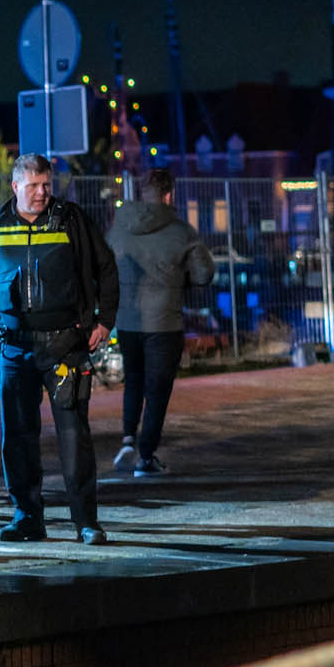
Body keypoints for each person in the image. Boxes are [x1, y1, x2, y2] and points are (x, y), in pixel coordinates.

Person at [0, 154, 118, 545]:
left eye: (46, 185)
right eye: (32, 186)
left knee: (74, 436)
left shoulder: (71, 220)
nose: (41, 193)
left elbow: (107, 266)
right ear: (14, 186)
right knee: (17, 436)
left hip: (65, 346)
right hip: (13, 349)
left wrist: (105, 320)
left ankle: (86, 521)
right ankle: (27, 517)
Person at [106, 167, 214, 477]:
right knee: (157, 390)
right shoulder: (182, 231)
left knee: (133, 380)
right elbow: (204, 274)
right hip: (164, 323)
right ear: (169, 195)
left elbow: (104, 266)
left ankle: (128, 438)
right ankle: (146, 455)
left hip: (127, 320)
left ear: (142, 194)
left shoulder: (119, 228)